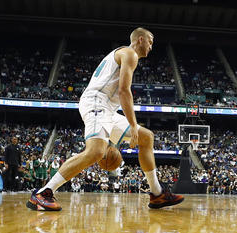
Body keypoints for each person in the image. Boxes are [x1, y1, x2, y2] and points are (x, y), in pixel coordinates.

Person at [27, 28, 184, 211]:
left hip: (106, 108)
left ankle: (157, 194)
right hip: (97, 102)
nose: (151, 46)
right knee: (95, 152)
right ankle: (43, 193)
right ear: (140, 39)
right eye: (150, 41)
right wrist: (133, 124)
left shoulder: (124, 54)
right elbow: (124, 91)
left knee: (146, 137)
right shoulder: (130, 54)